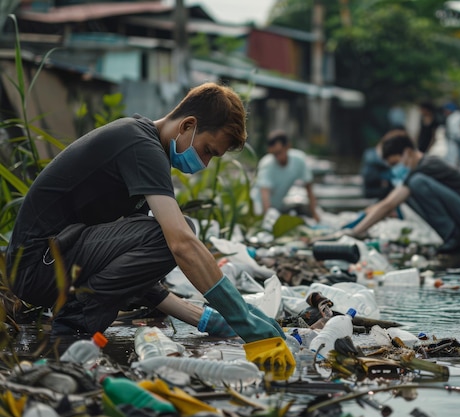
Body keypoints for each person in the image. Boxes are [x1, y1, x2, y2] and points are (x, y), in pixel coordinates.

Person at [5, 82, 295, 373]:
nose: (205, 164)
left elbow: (130, 270)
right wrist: (243, 320)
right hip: (39, 263)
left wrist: (208, 318)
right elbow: (179, 243)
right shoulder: (139, 145)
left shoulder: (145, 147)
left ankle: (75, 325)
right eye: (207, 150)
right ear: (188, 125)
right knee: (174, 234)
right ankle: (73, 328)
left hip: (47, 264)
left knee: (166, 235)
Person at [344, 130, 460, 254]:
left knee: (415, 183)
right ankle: (454, 237)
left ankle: (453, 237)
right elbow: (387, 202)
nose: (395, 168)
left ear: (408, 152)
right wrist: (353, 227)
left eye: (395, 163)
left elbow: (388, 205)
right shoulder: (417, 171)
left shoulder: (428, 166)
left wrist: (356, 231)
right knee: (406, 191)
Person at [254, 130, 320, 222]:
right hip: (258, 209)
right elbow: (265, 196)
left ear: (288, 146)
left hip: (278, 206)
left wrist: (315, 214)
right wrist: (267, 221)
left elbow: (308, 187)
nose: (277, 157)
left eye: (279, 153)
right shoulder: (267, 165)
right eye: (274, 154)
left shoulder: (299, 160)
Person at [443, 102, 460, 166]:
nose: (444, 112)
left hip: (455, 139)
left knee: (453, 158)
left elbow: (454, 131)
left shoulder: (454, 117)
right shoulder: (458, 115)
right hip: (455, 140)